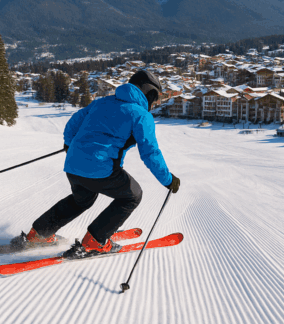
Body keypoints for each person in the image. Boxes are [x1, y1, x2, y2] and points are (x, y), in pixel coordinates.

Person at [14, 69, 180, 256]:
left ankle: (39, 234)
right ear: (147, 91)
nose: (155, 101)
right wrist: (168, 180)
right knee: (132, 195)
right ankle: (95, 240)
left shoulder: (102, 102)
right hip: (101, 169)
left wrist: (70, 146)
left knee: (81, 200)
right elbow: (150, 153)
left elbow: (73, 123)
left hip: (73, 166)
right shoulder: (141, 115)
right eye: (155, 96)